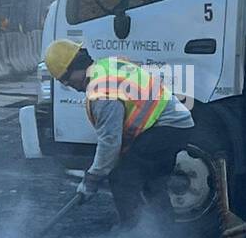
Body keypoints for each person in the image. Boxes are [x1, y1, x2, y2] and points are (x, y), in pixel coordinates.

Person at [43, 39, 194, 228]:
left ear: (76, 66)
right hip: (175, 125)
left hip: (166, 127)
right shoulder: (107, 66)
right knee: (152, 182)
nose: (68, 85)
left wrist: (92, 178)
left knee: (121, 178)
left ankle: (132, 234)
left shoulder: (101, 92)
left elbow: (110, 142)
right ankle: (164, 237)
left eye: (65, 79)